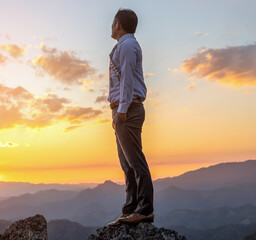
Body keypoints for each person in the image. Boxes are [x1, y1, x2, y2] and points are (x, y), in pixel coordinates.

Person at [107, 8, 154, 227]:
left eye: (112, 22)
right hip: (123, 109)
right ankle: (130, 210)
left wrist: (122, 111)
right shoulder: (123, 46)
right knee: (127, 164)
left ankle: (144, 209)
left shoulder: (126, 46)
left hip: (128, 110)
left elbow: (126, 80)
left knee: (135, 161)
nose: (111, 26)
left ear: (118, 24)